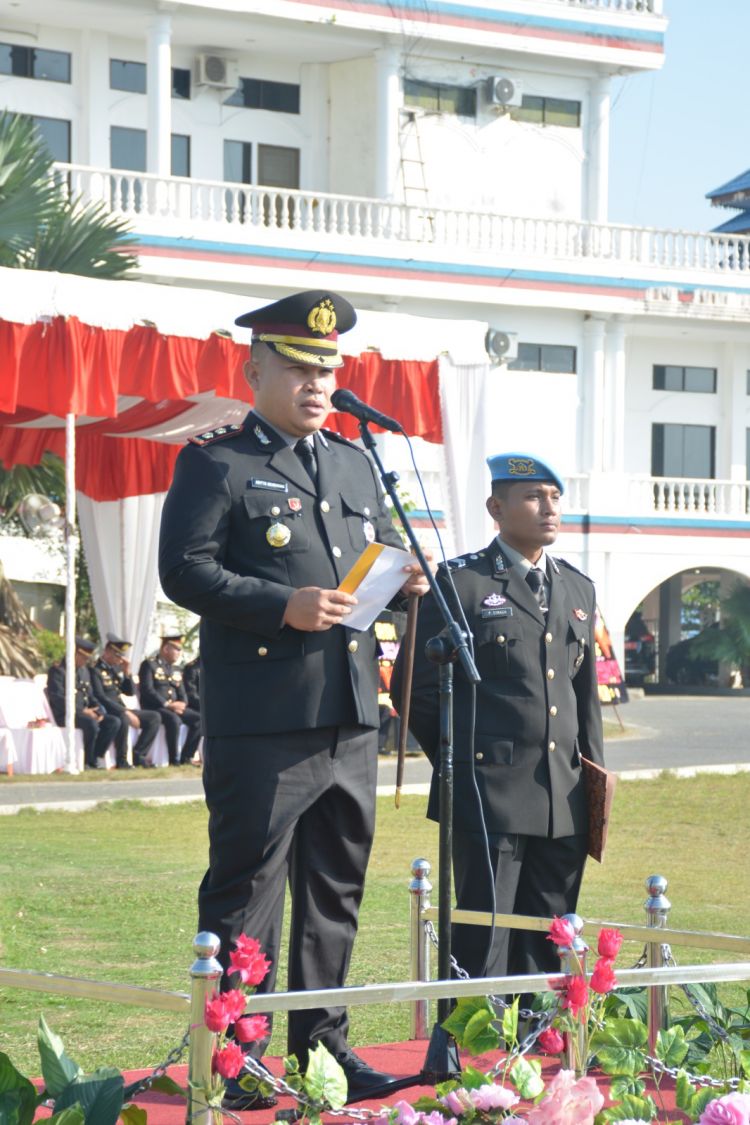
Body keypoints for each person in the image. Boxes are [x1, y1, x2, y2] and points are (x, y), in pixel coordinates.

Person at [158, 289, 430, 1108]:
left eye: (330, 368)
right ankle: (238, 1059)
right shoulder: (217, 461)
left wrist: (401, 581)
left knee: (334, 889)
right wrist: (282, 604)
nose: (318, 382)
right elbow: (186, 569)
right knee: (248, 887)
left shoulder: (354, 461)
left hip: (348, 710)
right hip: (266, 719)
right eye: (301, 367)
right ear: (255, 367)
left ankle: (325, 1052)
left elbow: (360, 573)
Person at [392, 452, 605, 983]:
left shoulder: (578, 588)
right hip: (490, 795)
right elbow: (412, 687)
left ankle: (541, 1045)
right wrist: (458, 762)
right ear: (496, 507)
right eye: (534, 497)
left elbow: (584, 700)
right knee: (483, 933)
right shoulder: (461, 583)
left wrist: (594, 783)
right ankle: (472, 1050)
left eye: (555, 497)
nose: (548, 508)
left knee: (551, 935)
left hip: (563, 797)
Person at [46, 637, 120, 769]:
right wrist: (83, 711)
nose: (85, 661)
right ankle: (86, 761)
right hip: (66, 714)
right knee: (90, 723)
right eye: (83, 657)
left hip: (85, 712)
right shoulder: (58, 670)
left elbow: (90, 695)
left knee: (113, 722)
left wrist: (99, 710)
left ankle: (96, 756)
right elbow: (57, 698)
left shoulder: (83, 670)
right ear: (74, 653)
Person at [90, 635, 160, 769]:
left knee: (154, 717)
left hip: (121, 708)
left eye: (121, 655)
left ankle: (139, 755)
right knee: (123, 718)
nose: (120, 659)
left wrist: (127, 673)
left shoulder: (115, 670)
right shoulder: (95, 670)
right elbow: (100, 696)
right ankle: (121, 761)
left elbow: (130, 692)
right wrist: (124, 711)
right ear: (108, 651)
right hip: (108, 710)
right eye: (117, 654)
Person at [138, 635, 201, 765]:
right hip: (156, 707)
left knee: (200, 720)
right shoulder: (149, 664)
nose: (179, 653)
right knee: (174, 720)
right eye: (176, 649)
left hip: (175, 707)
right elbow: (147, 690)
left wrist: (183, 704)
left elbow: (182, 691)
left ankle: (187, 756)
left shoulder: (175, 669)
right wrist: (167, 704)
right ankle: (174, 759)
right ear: (166, 649)